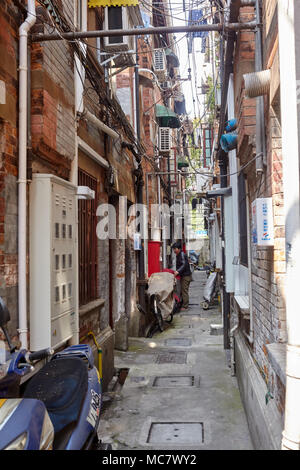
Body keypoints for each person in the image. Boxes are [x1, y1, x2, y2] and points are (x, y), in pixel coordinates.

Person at [172, 242, 192, 310]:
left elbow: (184, 264)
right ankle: (182, 303)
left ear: (179, 249)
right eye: (173, 249)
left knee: (184, 291)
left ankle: (185, 306)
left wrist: (178, 271)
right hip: (183, 275)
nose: (174, 250)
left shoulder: (182, 255)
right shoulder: (179, 254)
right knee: (182, 290)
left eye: (175, 249)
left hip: (185, 276)